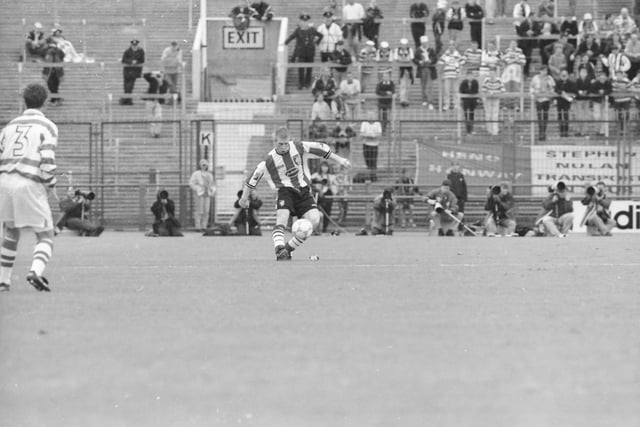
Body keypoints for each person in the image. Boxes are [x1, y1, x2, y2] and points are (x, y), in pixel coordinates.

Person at [238, 126, 351, 261]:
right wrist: (244, 198)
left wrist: (341, 160)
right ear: (275, 142)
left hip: (303, 191)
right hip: (285, 191)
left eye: (286, 143)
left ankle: (287, 249)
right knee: (282, 217)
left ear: (290, 140)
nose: (284, 147)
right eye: (281, 144)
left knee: (314, 220)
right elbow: (252, 179)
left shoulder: (298, 146)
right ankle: (279, 249)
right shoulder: (269, 160)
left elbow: (321, 148)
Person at [0, 83, 57, 292]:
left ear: (24, 100)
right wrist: (51, 183)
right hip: (28, 181)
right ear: (45, 101)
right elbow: (47, 159)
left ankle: (3, 281)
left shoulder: (9, 126)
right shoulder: (47, 126)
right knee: (45, 234)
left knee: (11, 231)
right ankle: (35, 271)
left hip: (5, 181)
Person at [285, 14, 323, 90]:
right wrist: (285, 42)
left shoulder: (312, 29)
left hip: (310, 53)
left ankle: (307, 83)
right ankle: (301, 83)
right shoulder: (298, 30)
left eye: (306, 21)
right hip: (301, 53)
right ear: (301, 22)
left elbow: (321, 35)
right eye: (303, 21)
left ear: (308, 22)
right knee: (301, 69)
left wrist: (317, 42)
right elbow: (292, 37)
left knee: (309, 69)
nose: (305, 23)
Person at [311, 161, 339, 233]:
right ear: (320, 167)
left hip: (328, 196)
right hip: (317, 196)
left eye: (326, 166)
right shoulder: (315, 176)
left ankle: (324, 228)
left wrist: (330, 185)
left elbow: (336, 187)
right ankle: (315, 228)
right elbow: (311, 183)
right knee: (316, 212)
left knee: (327, 212)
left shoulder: (332, 177)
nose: (324, 168)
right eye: (323, 166)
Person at [189, 159, 216, 231]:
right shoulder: (196, 174)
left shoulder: (209, 175)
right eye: (203, 165)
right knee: (199, 210)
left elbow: (212, 184)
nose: (204, 166)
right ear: (200, 165)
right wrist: (197, 189)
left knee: (206, 211)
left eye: (205, 165)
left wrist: (212, 191)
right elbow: (191, 183)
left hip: (207, 194)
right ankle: (198, 226)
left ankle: (204, 226)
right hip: (200, 194)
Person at [530, 65, 555, 140]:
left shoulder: (549, 78)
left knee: (545, 117)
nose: (545, 72)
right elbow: (531, 87)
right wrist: (533, 94)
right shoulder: (535, 78)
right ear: (540, 71)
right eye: (543, 71)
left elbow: (553, 87)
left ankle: (544, 133)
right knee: (540, 117)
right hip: (538, 100)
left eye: (546, 71)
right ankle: (540, 133)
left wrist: (550, 94)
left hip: (546, 99)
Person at [438, 40, 464, 111]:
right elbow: (440, 64)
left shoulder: (458, 54)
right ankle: (447, 105)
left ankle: (456, 105)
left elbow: (462, 63)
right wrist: (441, 73)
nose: (451, 46)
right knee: (446, 91)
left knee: (456, 91)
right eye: (450, 45)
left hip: (455, 75)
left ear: (454, 46)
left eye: (453, 45)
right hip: (447, 75)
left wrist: (459, 72)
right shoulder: (445, 55)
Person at [142, 71, 168, 138]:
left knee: (158, 117)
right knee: (150, 117)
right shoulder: (153, 81)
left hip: (158, 102)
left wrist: (161, 82)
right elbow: (145, 75)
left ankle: (157, 132)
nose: (159, 76)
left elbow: (164, 91)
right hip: (150, 100)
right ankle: (152, 132)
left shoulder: (165, 83)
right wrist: (153, 73)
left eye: (161, 75)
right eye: (159, 75)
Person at [414, 35, 438, 108]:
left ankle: (430, 102)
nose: (424, 44)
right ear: (421, 43)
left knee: (430, 86)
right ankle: (424, 99)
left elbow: (435, 58)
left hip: (430, 69)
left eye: (425, 43)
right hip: (422, 69)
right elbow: (415, 59)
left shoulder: (431, 50)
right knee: (423, 85)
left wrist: (431, 61)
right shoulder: (418, 50)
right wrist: (419, 62)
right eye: (423, 43)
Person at [481, 67, 505, 136]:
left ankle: (495, 131)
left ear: (495, 73)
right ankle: (489, 130)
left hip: (496, 99)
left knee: (495, 115)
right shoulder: (486, 80)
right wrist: (489, 93)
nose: (492, 74)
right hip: (488, 99)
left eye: (493, 73)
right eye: (490, 73)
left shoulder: (499, 80)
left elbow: (502, 90)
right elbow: (483, 89)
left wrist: (494, 92)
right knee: (488, 115)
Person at [360, 110, 383, 181]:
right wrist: (370, 135)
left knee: (373, 161)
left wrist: (370, 136)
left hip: (374, 145)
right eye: (369, 115)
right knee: (367, 161)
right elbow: (361, 134)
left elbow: (379, 135)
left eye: (372, 115)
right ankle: (369, 175)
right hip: (366, 144)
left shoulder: (377, 124)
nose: (370, 117)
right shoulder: (364, 123)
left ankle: (373, 176)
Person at [120, 39, 145, 105]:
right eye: (133, 45)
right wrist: (131, 61)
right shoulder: (127, 51)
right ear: (131, 45)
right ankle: (127, 100)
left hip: (135, 71)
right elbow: (123, 60)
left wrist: (136, 62)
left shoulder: (141, 51)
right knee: (126, 87)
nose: (134, 47)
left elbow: (142, 60)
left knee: (130, 86)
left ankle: (126, 100)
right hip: (127, 71)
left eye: (135, 45)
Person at [42, 42, 65, 106]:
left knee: (53, 87)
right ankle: (55, 99)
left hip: (55, 72)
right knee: (53, 87)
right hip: (52, 72)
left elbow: (62, 56)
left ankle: (55, 99)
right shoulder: (50, 52)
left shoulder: (56, 52)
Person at [589, 72, 612, 137]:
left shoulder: (608, 83)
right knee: (597, 116)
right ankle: (597, 130)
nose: (602, 79)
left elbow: (610, 90)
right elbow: (591, 90)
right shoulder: (595, 84)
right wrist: (598, 92)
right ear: (599, 78)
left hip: (605, 102)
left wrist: (604, 91)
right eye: (601, 77)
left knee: (605, 117)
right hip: (597, 102)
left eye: (604, 77)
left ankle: (602, 131)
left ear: (606, 77)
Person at [554, 69, 576, 137]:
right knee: (560, 116)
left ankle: (566, 131)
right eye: (562, 74)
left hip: (567, 102)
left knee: (566, 116)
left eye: (565, 74)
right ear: (560, 75)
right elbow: (556, 90)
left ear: (567, 75)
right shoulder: (558, 82)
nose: (564, 75)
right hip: (559, 102)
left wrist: (569, 96)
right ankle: (561, 131)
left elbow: (574, 92)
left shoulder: (571, 83)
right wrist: (561, 93)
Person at [394, 38, 414, 106]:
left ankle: (407, 99)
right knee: (402, 85)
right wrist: (405, 60)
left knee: (408, 85)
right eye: (402, 45)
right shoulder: (397, 50)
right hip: (401, 69)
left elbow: (411, 59)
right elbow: (396, 59)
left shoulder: (410, 50)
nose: (403, 46)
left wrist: (402, 60)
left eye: (405, 45)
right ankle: (402, 99)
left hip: (409, 69)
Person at [459, 69, 479, 134]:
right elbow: (462, 90)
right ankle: (468, 130)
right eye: (469, 76)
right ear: (466, 76)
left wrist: (468, 91)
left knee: (471, 115)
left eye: (471, 76)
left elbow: (475, 91)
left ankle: (471, 129)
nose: (470, 77)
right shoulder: (463, 82)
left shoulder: (475, 82)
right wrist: (469, 91)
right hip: (465, 102)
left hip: (472, 102)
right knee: (466, 116)